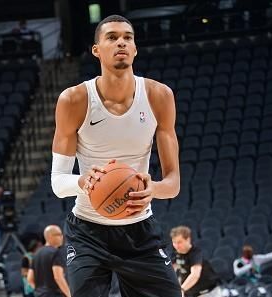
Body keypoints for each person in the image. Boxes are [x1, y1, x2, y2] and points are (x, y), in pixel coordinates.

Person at [51, 14, 181, 297]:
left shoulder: (160, 96)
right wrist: (83, 182)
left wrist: (152, 189)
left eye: (127, 37)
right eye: (112, 37)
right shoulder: (73, 100)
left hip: (140, 231)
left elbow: (173, 183)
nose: (121, 42)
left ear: (135, 49)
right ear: (96, 50)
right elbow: (58, 182)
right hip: (87, 231)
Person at [171, 226, 221, 297]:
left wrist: (181, 289)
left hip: (208, 292)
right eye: (174, 242)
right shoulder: (175, 254)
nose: (176, 246)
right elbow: (171, 271)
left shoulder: (195, 253)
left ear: (188, 239)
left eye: (179, 242)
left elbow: (195, 275)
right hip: (191, 293)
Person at [27, 225, 70, 297]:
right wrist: (69, 295)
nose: (62, 237)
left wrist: (40, 292)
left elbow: (29, 279)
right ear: (50, 236)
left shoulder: (36, 254)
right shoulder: (55, 252)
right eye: (58, 234)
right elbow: (58, 277)